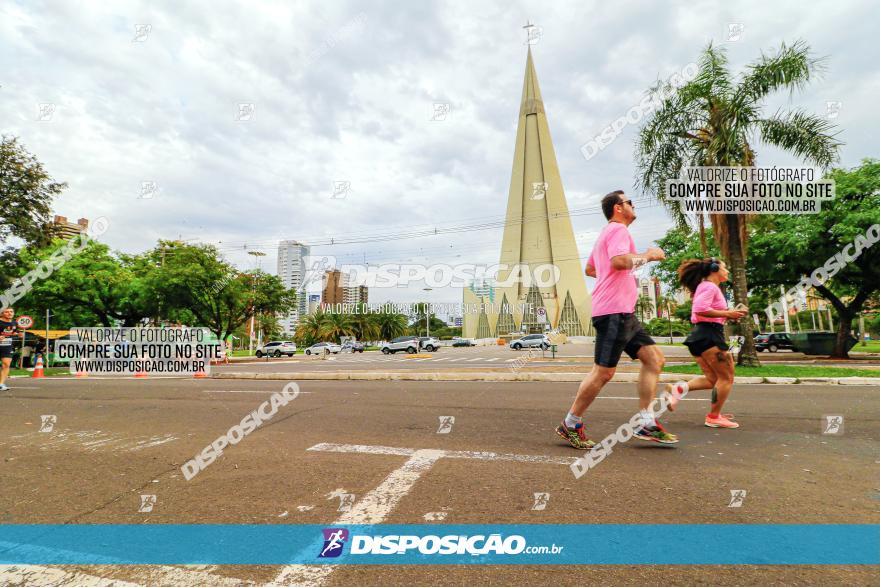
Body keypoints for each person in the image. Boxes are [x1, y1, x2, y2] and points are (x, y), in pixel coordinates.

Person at [556, 190, 678, 449]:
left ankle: (646, 421)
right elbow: (620, 261)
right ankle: (570, 423)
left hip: (624, 313)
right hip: (613, 312)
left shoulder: (606, 234)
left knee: (654, 359)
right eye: (629, 202)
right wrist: (650, 255)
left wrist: (608, 280)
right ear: (617, 208)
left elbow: (591, 268)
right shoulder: (617, 230)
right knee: (604, 372)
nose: (633, 205)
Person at [665, 258, 747, 429]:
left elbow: (704, 311)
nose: (727, 271)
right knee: (726, 377)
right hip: (709, 335)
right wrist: (729, 313)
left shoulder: (706, 287)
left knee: (712, 379)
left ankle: (678, 390)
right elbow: (700, 310)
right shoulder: (709, 286)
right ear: (715, 269)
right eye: (725, 267)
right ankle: (713, 417)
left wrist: (730, 314)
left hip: (700, 336)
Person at [0, 307, 19, 391]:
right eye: (7, 312)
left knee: (6, 364)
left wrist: (18, 334)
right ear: (2, 313)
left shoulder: (14, 323)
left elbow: (13, 332)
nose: (10, 313)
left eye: (11, 311)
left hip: (7, 345)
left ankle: (1, 384)